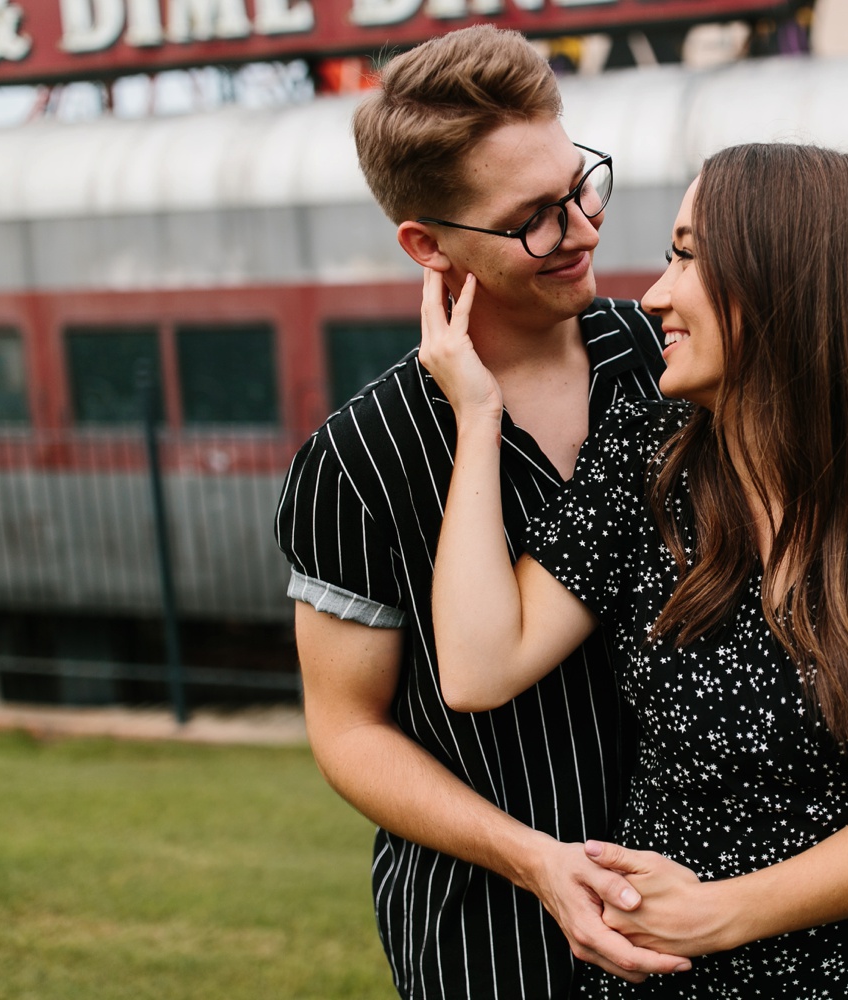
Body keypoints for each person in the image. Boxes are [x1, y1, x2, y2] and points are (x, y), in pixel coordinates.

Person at [422, 143, 848, 997]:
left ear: (787, 282)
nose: (654, 295)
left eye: (688, 257)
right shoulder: (644, 462)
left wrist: (724, 911)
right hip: (655, 975)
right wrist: (478, 415)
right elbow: (478, 667)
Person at [273, 25, 692, 1000]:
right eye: (535, 217)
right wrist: (532, 857)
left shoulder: (667, 363)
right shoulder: (357, 459)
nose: (584, 228)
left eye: (581, 183)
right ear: (426, 243)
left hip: (695, 909)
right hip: (490, 944)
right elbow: (347, 732)